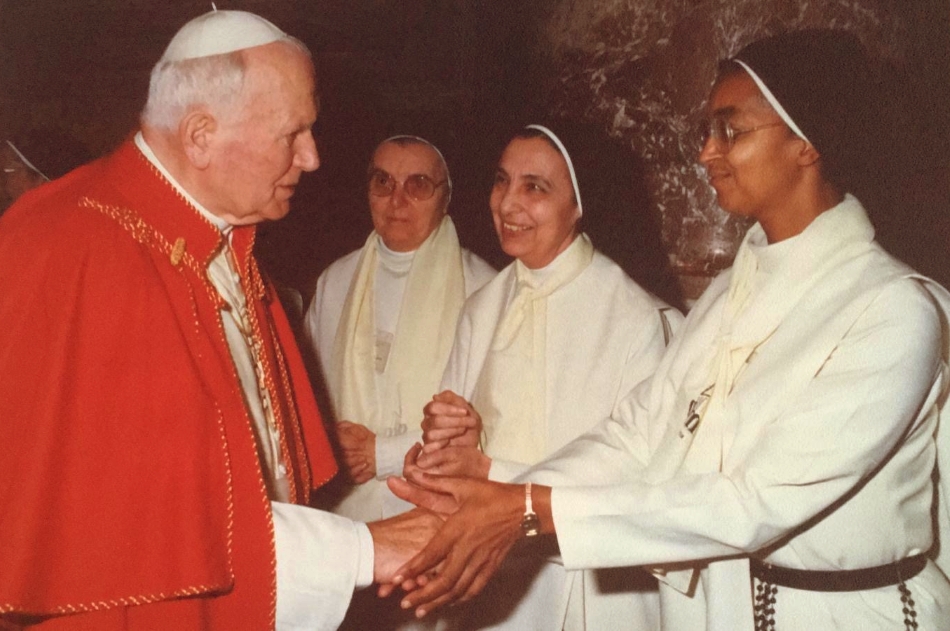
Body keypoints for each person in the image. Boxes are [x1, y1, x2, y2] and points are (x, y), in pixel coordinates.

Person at [387, 29, 950, 630]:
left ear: (806, 143)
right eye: (706, 131)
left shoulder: (891, 311)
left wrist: (525, 509)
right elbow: (640, 431)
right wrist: (501, 492)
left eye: (730, 130)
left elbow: (752, 500)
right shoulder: (730, 294)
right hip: (722, 603)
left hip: (844, 612)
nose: (707, 152)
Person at [0, 10, 439, 631]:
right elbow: (154, 534)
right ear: (201, 135)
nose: (312, 158)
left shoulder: (224, 238)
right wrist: (367, 549)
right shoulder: (71, 248)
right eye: (293, 134)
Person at [414, 123, 681, 630]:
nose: (508, 203)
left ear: (578, 205)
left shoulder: (632, 316)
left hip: (589, 587)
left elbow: (633, 477)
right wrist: (447, 444)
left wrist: (487, 468)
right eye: (501, 181)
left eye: (535, 187)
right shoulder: (481, 306)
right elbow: (457, 460)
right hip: (492, 580)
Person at [303, 135, 495, 522]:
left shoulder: (485, 289)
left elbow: (495, 426)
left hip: (437, 513)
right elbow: (305, 397)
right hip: (342, 516)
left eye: (418, 185)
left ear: (446, 196)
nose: (397, 200)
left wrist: (382, 454)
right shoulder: (334, 282)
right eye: (383, 182)